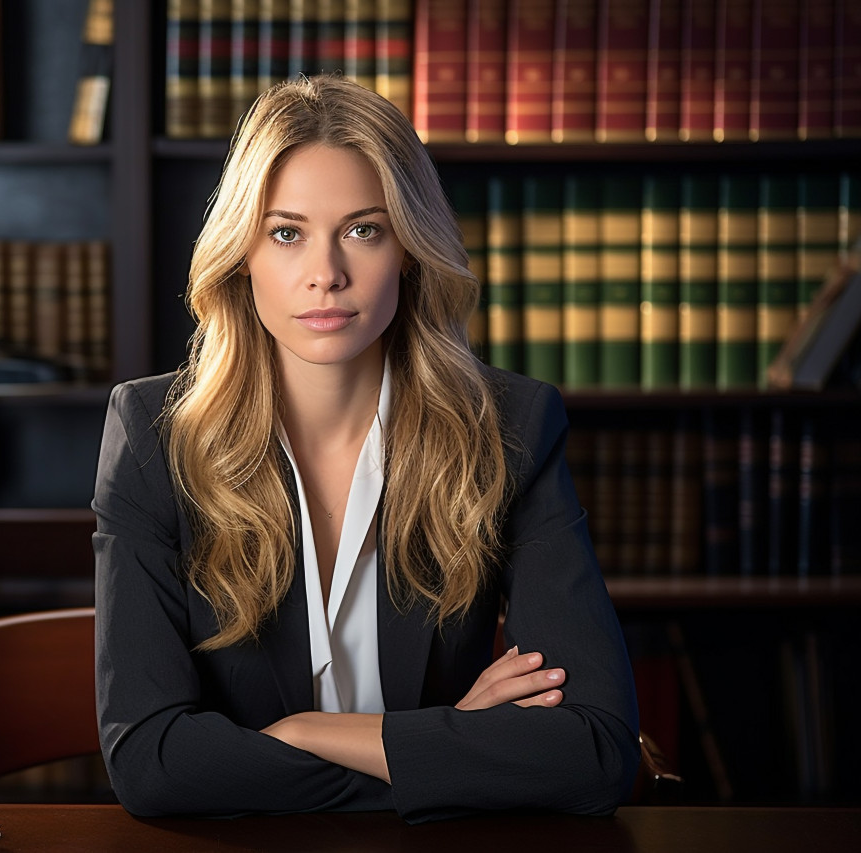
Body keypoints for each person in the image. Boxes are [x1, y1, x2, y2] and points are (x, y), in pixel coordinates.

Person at [91, 75, 639, 824]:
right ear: (242, 253)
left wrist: (299, 735)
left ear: (409, 250)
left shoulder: (509, 427)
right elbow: (153, 766)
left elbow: (597, 751)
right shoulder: (156, 435)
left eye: (363, 229)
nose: (327, 274)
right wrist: (450, 755)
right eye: (287, 232)